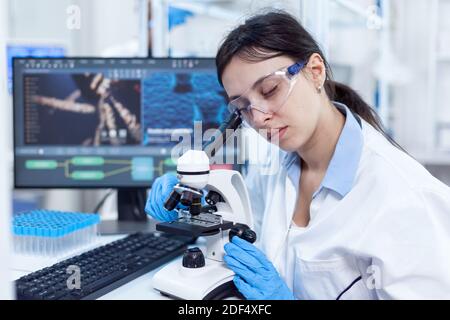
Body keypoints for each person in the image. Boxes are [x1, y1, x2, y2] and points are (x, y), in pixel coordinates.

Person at [145, 10, 450, 299]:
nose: (259, 117)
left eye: (269, 90)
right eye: (243, 107)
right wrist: (192, 203)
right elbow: (246, 228)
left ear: (315, 72)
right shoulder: (275, 161)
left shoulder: (407, 199)